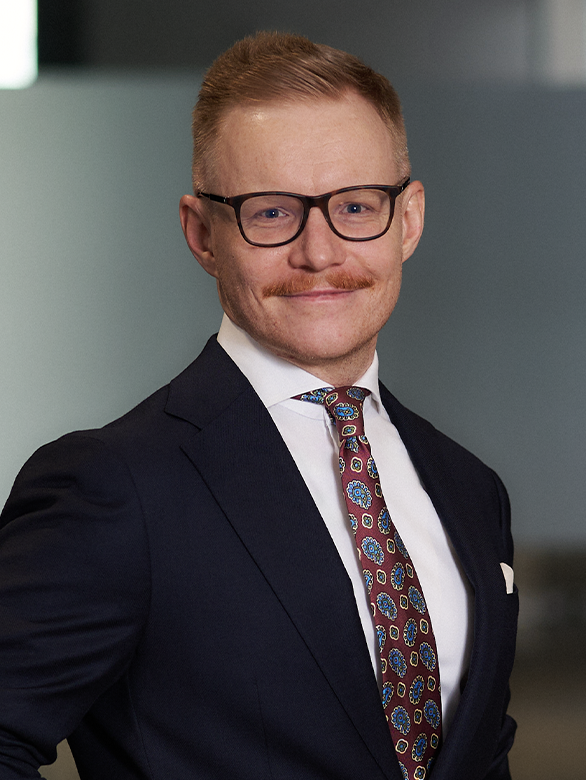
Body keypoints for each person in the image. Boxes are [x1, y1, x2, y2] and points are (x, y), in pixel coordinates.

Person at [0, 31, 517, 780]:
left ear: (408, 220)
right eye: (271, 212)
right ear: (202, 234)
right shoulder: (114, 486)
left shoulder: (469, 488)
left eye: (356, 206)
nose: (320, 252)